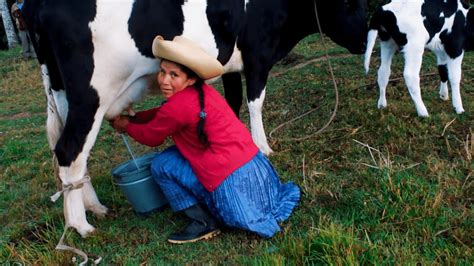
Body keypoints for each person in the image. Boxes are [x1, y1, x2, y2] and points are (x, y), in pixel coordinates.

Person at [110, 35, 300, 244]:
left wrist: (127, 125)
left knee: (161, 164)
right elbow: (162, 113)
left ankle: (202, 222)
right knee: (173, 155)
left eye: (174, 75)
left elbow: (152, 136)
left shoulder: (178, 106)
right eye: (162, 71)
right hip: (253, 169)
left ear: (190, 79)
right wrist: (136, 118)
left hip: (231, 180)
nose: (165, 80)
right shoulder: (201, 92)